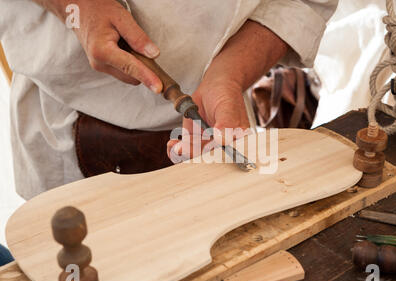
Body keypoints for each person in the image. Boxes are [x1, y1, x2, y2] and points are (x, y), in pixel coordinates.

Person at [0, 0, 338, 200]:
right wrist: (77, 7)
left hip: (218, 118)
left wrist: (229, 77)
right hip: (69, 126)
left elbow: (300, 3)